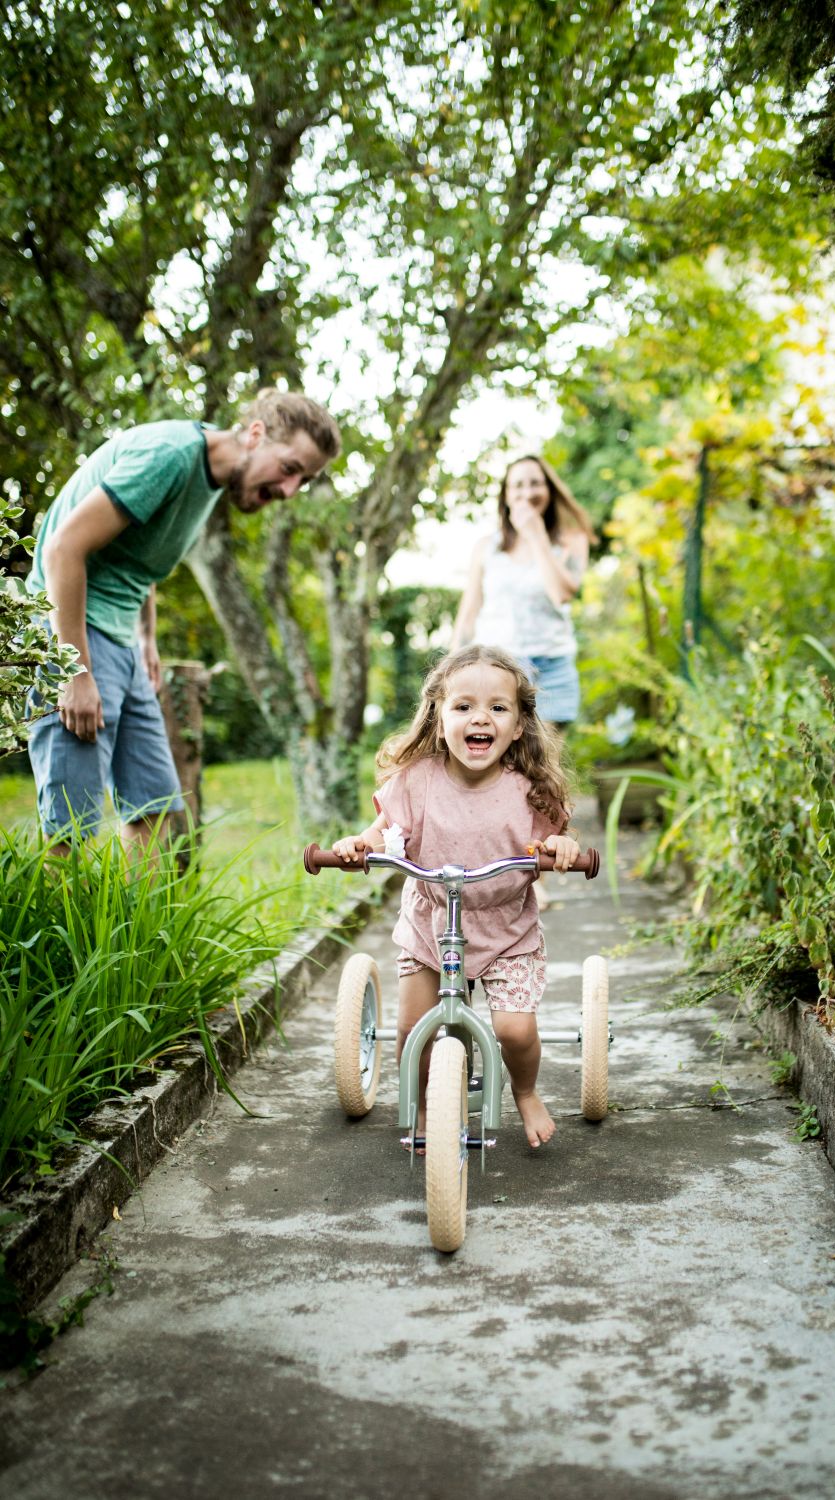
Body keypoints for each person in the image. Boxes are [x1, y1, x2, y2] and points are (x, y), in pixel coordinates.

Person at [26, 388, 341, 851]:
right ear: (255, 435)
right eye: (290, 468)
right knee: (71, 826)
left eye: (303, 481)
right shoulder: (170, 456)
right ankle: (68, 924)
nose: (289, 491)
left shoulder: (210, 480)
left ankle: (138, 925)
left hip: (120, 639)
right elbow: (61, 549)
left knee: (154, 807)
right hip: (75, 630)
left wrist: (147, 637)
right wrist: (74, 670)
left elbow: (139, 555)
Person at [330, 644, 581, 1148]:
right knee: (412, 1031)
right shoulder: (417, 782)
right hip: (431, 923)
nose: (479, 718)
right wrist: (362, 845)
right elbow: (385, 832)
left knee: (513, 1031)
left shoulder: (528, 788)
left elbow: (555, 840)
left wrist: (559, 848)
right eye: (463, 706)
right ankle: (425, 1110)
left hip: (506, 929)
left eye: (497, 707)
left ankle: (526, 1092)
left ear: (518, 725)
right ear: (437, 716)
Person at [451, 455, 597, 730]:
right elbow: (468, 615)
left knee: (542, 769)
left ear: (549, 491)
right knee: (497, 767)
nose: (527, 492)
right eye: (517, 485)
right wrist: (447, 673)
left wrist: (536, 535)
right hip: (496, 671)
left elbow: (561, 594)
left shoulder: (572, 542)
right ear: (506, 496)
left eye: (535, 484)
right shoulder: (487, 547)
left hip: (551, 671)